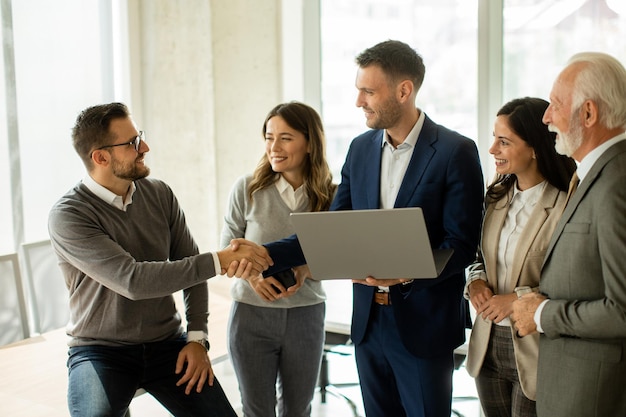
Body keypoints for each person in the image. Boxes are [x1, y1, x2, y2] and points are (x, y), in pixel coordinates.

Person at [232, 40, 484, 417]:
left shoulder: (455, 150)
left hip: (424, 323)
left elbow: (461, 244)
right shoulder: (359, 148)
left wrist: (409, 273)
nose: (358, 101)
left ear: (404, 90)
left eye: (368, 91)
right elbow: (332, 231)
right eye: (358, 90)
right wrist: (266, 255)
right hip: (369, 323)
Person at [48, 102, 272, 417]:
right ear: (100, 157)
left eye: (139, 137)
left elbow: (189, 266)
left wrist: (197, 338)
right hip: (99, 351)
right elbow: (133, 281)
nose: (145, 147)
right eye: (132, 144)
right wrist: (220, 260)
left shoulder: (159, 194)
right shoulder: (69, 215)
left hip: (167, 345)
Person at [511, 52, 626, 417]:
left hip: (593, 397)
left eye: (556, 105)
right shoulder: (594, 174)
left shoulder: (617, 183)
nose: (546, 117)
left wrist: (543, 313)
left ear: (588, 113)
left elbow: (622, 311)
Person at [220, 101, 336, 417]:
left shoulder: (330, 196)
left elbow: (339, 255)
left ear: (310, 142)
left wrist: (305, 269)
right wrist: (253, 276)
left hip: (306, 316)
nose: (274, 147)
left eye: (285, 138)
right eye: (269, 137)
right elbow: (226, 255)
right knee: (257, 411)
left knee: (298, 410)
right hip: (251, 316)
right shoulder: (247, 189)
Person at [464, 97, 576, 417]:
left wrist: (515, 299)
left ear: (535, 148)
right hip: (488, 344)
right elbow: (477, 256)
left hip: (536, 348)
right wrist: (475, 282)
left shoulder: (566, 205)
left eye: (504, 142)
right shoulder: (495, 197)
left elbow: (572, 281)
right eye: (494, 139)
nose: (492, 150)